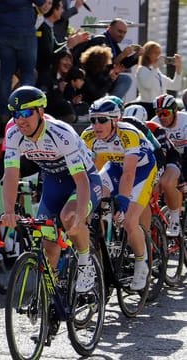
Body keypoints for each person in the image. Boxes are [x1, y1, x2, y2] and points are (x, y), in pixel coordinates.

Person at [0, 86, 103, 294]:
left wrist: (81, 215)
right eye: (16, 114)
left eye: (26, 113)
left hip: (83, 180)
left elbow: (81, 181)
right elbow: (11, 174)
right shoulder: (13, 134)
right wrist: (9, 210)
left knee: (69, 215)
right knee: (48, 245)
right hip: (54, 182)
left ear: (40, 112)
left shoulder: (61, 133)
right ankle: (51, 299)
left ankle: (85, 263)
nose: (21, 120)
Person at [80, 96, 157, 290]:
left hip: (141, 171)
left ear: (115, 120)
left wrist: (123, 201)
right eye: (93, 119)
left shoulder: (128, 134)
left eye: (103, 120)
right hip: (114, 168)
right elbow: (87, 171)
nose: (97, 125)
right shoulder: (88, 136)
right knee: (89, 205)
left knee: (130, 220)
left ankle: (141, 263)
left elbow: (129, 173)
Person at [124, 104, 182, 236]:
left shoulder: (155, 129)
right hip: (142, 162)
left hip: (169, 159)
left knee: (164, 183)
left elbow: (161, 156)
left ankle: (174, 219)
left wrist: (154, 180)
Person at [0, 0, 52, 122]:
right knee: (27, 73)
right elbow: (44, 8)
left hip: (3, 32)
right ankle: (25, 111)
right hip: (25, 33)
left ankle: (4, 113)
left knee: (5, 75)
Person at [73, 18, 143, 100]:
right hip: (92, 80)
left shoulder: (113, 43)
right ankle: (110, 105)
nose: (122, 35)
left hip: (104, 79)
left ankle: (111, 104)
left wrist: (136, 55)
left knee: (125, 79)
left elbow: (122, 64)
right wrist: (123, 54)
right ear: (109, 29)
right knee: (124, 79)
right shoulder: (100, 40)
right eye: (119, 31)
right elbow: (104, 64)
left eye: (124, 33)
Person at [150, 94, 187, 236]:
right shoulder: (155, 124)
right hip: (169, 156)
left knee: (177, 183)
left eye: (166, 113)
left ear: (175, 111)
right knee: (165, 184)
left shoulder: (185, 120)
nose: (162, 117)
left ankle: (175, 219)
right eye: (159, 113)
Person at [133, 41, 183, 119]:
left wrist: (178, 68)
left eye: (159, 53)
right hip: (146, 107)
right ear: (148, 54)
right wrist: (156, 66)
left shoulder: (157, 72)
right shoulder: (142, 69)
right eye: (155, 53)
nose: (158, 56)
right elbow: (147, 85)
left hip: (159, 108)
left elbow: (175, 86)